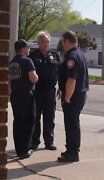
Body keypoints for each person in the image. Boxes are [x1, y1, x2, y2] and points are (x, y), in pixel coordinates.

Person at [57, 31, 89, 162]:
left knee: (71, 124)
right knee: (71, 123)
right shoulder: (79, 54)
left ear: (66, 41)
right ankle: (70, 149)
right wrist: (61, 89)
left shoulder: (72, 57)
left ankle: (73, 152)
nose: (62, 44)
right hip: (79, 95)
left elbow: (71, 80)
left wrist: (67, 97)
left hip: (74, 96)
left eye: (62, 41)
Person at [29, 32, 61, 151]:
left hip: (50, 92)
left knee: (49, 117)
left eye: (47, 41)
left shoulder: (55, 55)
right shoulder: (32, 55)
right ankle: (34, 141)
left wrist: (61, 87)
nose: (46, 44)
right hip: (36, 91)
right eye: (43, 42)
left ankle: (49, 142)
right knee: (35, 117)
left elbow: (61, 72)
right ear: (38, 43)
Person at [9, 40, 38, 159]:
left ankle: (19, 149)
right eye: (28, 48)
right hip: (26, 94)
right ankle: (25, 149)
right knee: (29, 121)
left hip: (15, 95)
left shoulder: (12, 62)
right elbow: (33, 78)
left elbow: (9, 79)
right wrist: (37, 76)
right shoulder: (27, 61)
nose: (29, 50)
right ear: (23, 49)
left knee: (18, 122)